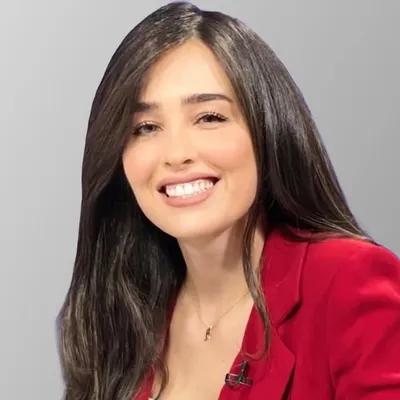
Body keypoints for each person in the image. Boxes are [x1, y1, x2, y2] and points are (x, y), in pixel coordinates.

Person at [57, 2, 400, 399]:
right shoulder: (119, 320)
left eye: (209, 117)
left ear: (267, 130)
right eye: (146, 127)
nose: (176, 154)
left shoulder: (348, 281)